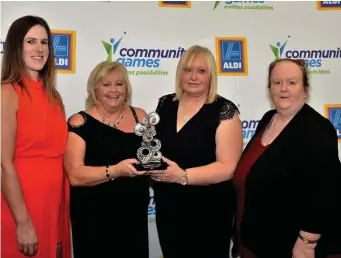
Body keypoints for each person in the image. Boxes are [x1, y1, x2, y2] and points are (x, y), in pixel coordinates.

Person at [233, 58, 341, 258]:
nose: (283, 88)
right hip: (256, 240)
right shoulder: (268, 119)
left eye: (292, 82)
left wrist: (307, 243)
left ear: (305, 88)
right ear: (270, 88)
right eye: (277, 82)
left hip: (291, 247)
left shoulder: (318, 129)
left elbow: (325, 191)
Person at [149, 45, 243, 258]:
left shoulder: (224, 110)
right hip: (169, 204)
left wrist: (182, 176)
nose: (193, 77)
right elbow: (153, 146)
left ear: (211, 76)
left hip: (209, 209)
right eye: (187, 70)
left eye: (201, 71)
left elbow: (227, 168)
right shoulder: (165, 104)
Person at [1, 15, 71, 258]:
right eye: (30, 41)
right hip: (21, 203)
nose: (39, 49)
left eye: (44, 42)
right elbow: (4, 164)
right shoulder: (7, 93)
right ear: (15, 47)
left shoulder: (54, 97)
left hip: (56, 202)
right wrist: (22, 221)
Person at [63, 61, 150, 258]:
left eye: (119, 84)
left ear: (126, 88)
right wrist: (116, 170)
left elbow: (151, 156)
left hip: (132, 214)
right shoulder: (79, 122)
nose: (113, 90)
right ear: (95, 89)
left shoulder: (141, 116)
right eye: (106, 84)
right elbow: (75, 175)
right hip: (93, 216)